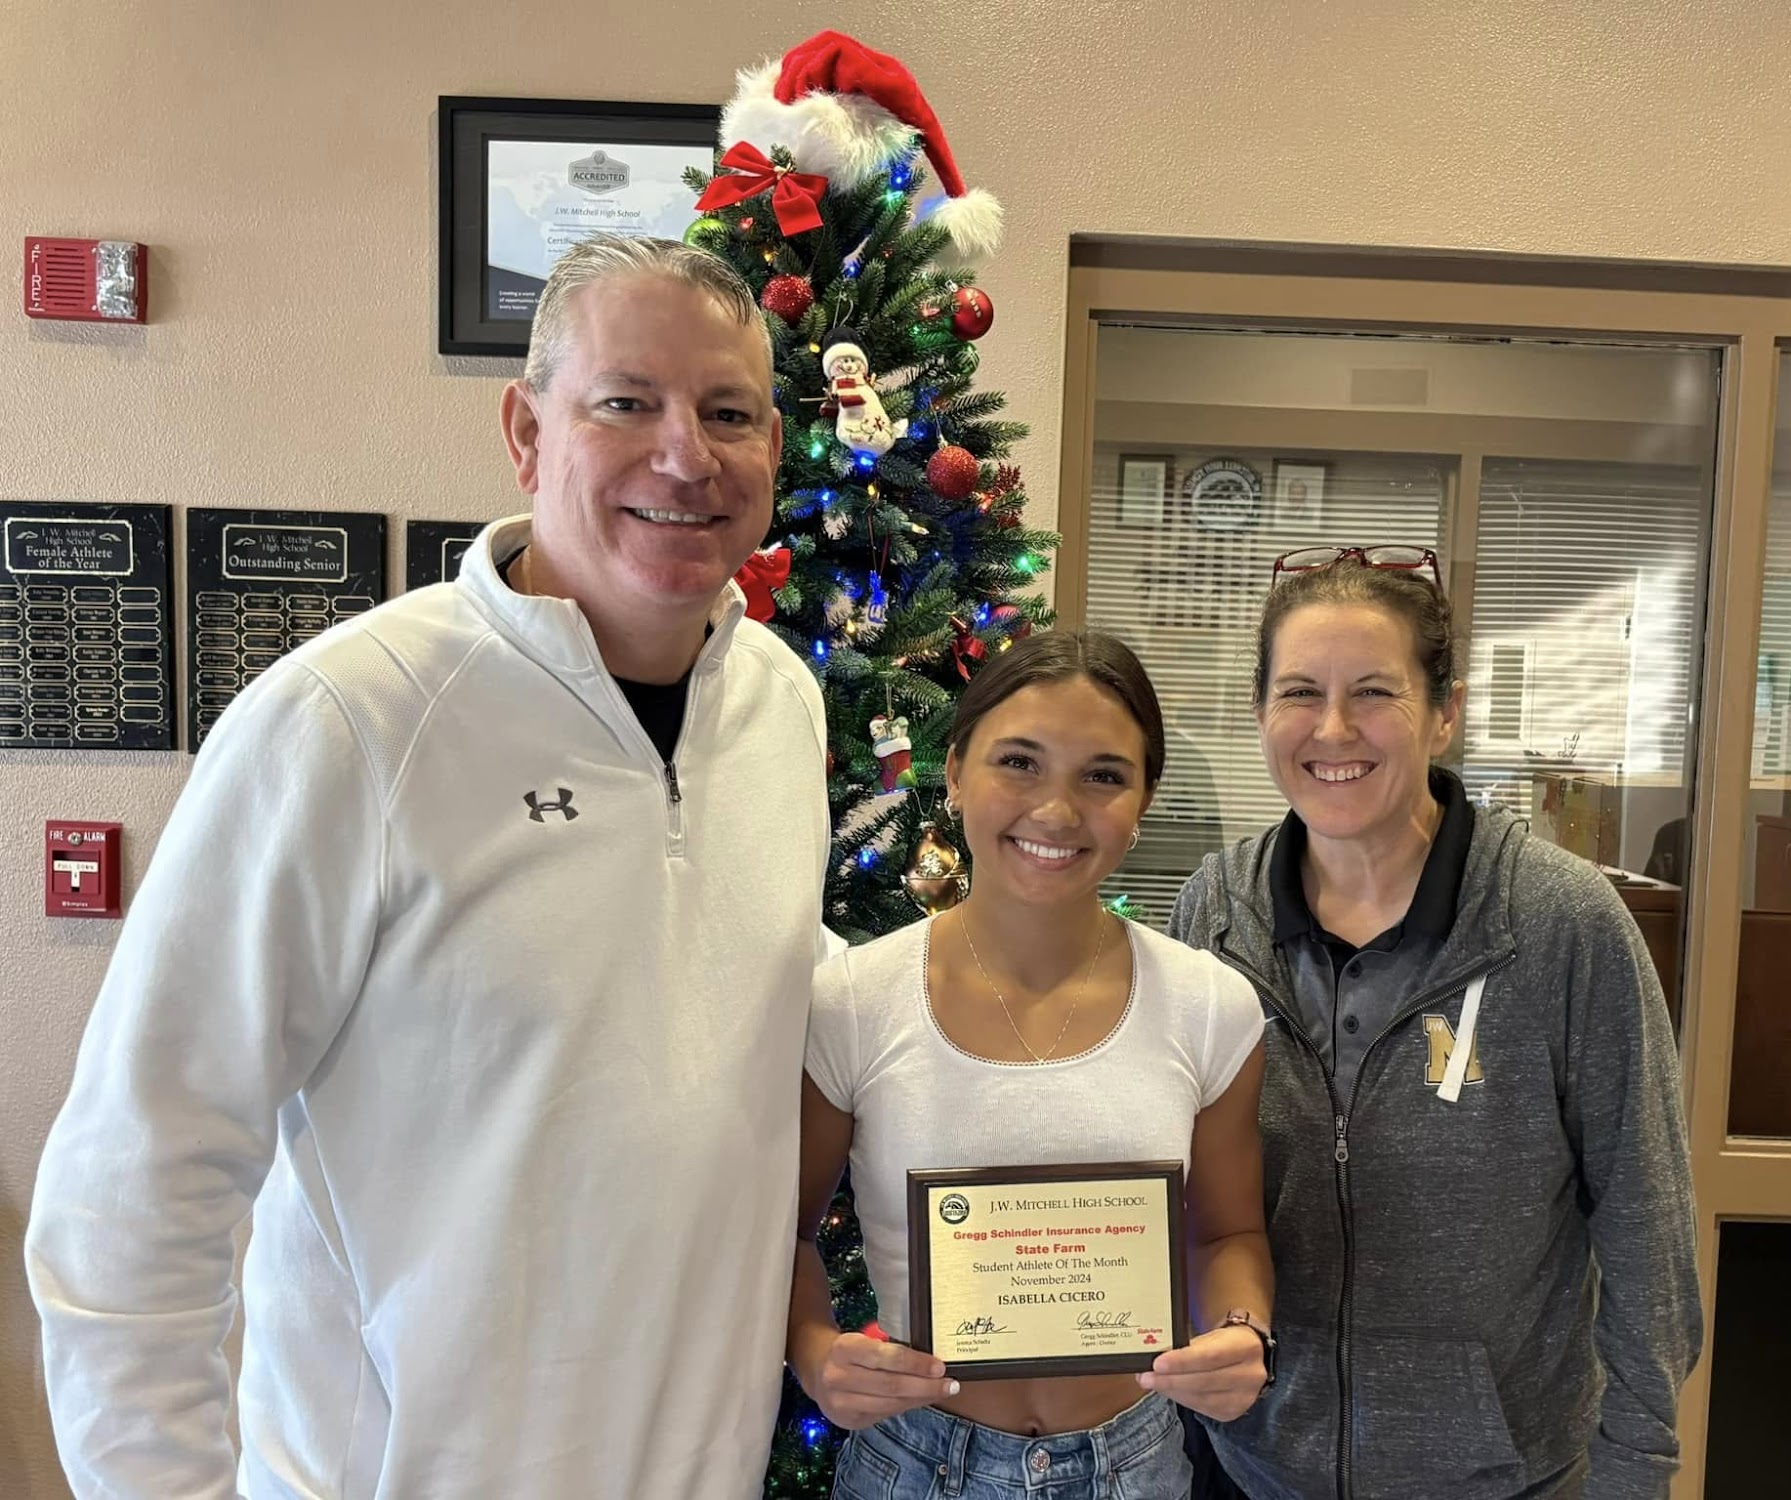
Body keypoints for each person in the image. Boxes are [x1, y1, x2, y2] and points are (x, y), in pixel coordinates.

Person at [25, 235, 832, 1500]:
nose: (685, 455)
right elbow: (138, 1172)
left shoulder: (781, 707)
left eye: (726, 413)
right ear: (527, 432)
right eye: (626, 402)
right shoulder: (348, 721)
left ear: (773, 449)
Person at [1171, 547, 1702, 1500]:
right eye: (1299, 692)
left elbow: (1646, 1226)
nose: (1333, 728)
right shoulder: (1216, 912)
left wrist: (1635, 1472)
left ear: (1445, 711)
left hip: (1501, 1474)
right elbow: (1175, 1188)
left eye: (1374, 692)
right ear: (1260, 711)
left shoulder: (1558, 922)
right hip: (1252, 1466)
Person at [789, 630, 1274, 1500]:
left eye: (1104, 775)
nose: (1056, 810)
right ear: (955, 772)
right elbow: (782, 1233)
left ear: (1143, 799)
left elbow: (1226, 1233)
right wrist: (816, 1351)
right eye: (1019, 762)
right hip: (914, 1464)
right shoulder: (852, 1000)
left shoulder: (1210, 1006)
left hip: (1135, 1465)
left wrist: (1243, 1330)